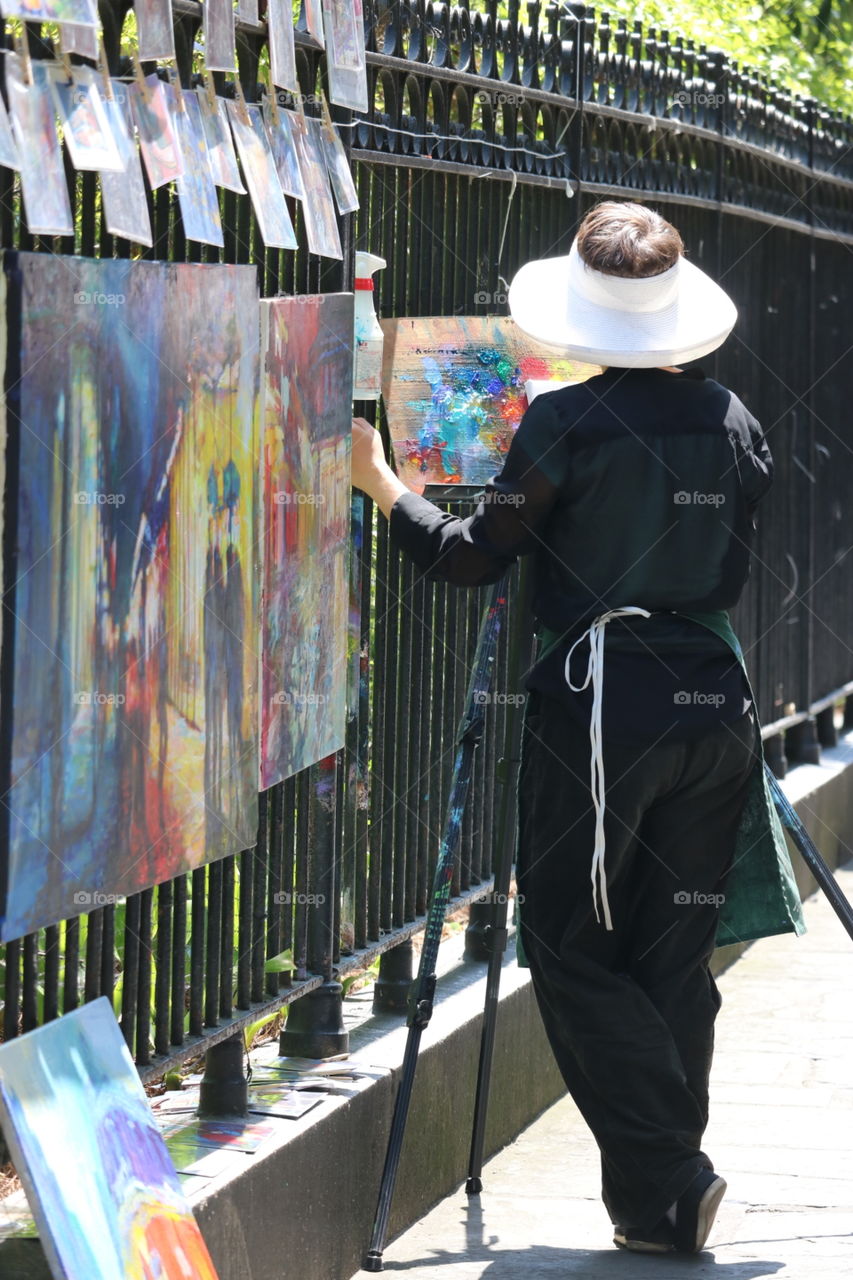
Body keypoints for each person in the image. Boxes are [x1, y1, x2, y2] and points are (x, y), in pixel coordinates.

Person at [351, 201, 801, 1256]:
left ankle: (672, 1177)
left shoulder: (566, 421)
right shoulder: (732, 416)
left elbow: (472, 557)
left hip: (606, 710)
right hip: (713, 701)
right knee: (671, 952)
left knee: (565, 943)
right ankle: (657, 1209)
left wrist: (380, 483)